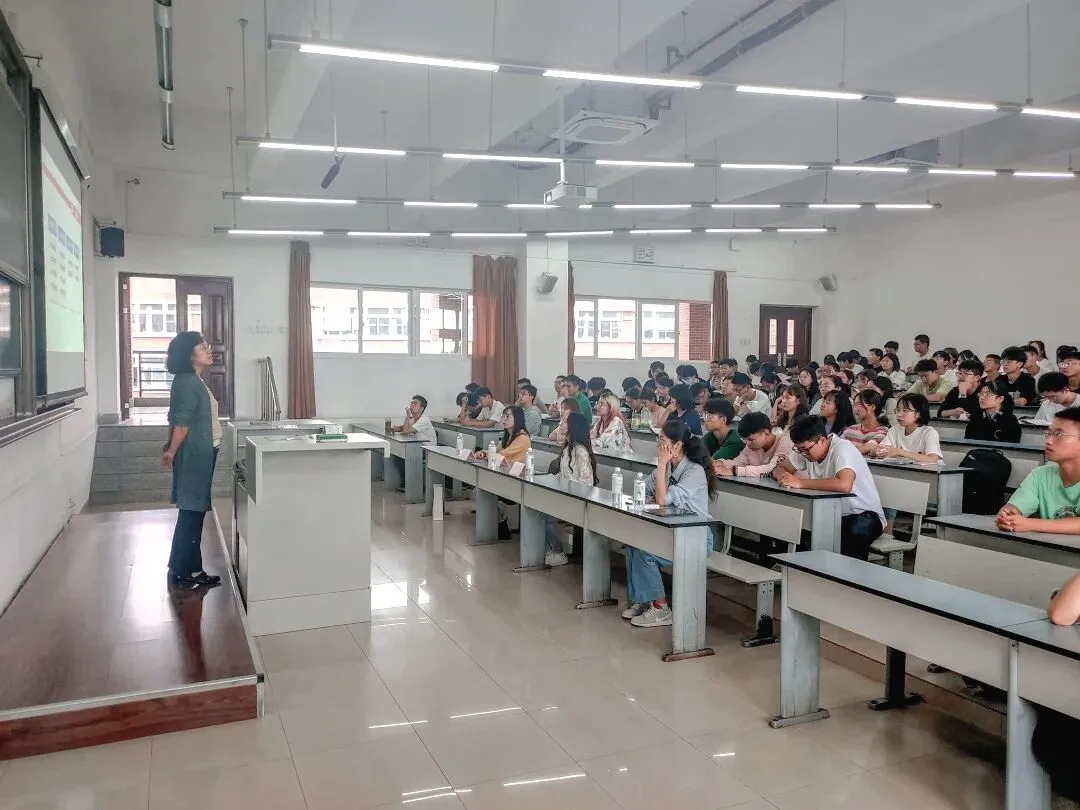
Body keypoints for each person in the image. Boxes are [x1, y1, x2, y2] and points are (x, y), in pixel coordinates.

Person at [623, 419, 717, 628]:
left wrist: (661, 464)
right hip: (670, 532)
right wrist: (660, 473)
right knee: (632, 545)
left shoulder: (693, 471)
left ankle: (661, 608)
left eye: (663, 441)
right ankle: (645, 601)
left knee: (646, 553)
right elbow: (644, 490)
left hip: (696, 537)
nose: (659, 446)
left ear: (678, 445)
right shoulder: (666, 469)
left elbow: (661, 500)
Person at [775, 416, 886, 559]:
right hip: (829, 514)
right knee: (788, 527)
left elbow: (844, 485)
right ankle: (804, 568)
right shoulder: (807, 449)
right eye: (799, 450)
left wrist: (801, 482)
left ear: (822, 440)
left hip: (863, 514)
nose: (803, 454)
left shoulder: (842, 448)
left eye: (806, 450)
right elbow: (779, 468)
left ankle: (848, 573)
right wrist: (784, 477)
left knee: (851, 532)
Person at [162, 331, 222, 590]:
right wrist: (171, 451)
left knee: (191, 512)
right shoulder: (188, 382)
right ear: (188, 355)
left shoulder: (192, 380)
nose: (208, 349)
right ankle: (190, 571)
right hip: (195, 455)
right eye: (201, 346)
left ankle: (180, 566)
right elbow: (181, 422)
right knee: (192, 512)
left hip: (201, 451)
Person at [996, 407, 1080, 536]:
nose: (1048, 441)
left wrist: (1030, 524)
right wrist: (1008, 516)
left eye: (1059, 434)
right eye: (1049, 434)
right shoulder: (1040, 475)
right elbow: (1016, 507)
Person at [544, 412, 597, 567]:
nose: (561, 424)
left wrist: (564, 484)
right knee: (537, 504)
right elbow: (564, 474)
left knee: (545, 511)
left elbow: (586, 483)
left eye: (565, 422)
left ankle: (557, 551)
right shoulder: (568, 448)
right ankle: (550, 549)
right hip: (566, 495)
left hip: (578, 500)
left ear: (573, 427)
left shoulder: (580, 451)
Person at [867, 393, 944, 464]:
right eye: (898, 410)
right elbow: (880, 449)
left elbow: (933, 459)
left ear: (918, 414)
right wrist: (876, 451)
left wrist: (900, 452)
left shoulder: (929, 432)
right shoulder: (895, 430)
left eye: (905, 410)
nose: (899, 414)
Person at [715, 411, 794, 478]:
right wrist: (721, 463)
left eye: (751, 439)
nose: (748, 443)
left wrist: (735, 471)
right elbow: (739, 462)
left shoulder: (785, 441)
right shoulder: (751, 446)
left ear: (766, 432)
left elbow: (773, 469)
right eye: (745, 440)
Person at [845, 390, 890, 455]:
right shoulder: (849, 431)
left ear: (873, 407)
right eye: (855, 405)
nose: (855, 409)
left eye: (859, 405)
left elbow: (868, 447)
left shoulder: (883, 432)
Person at [702, 397, 744, 464]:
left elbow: (712, 464)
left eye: (708, 416)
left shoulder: (735, 441)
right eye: (704, 415)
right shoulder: (710, 436)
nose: (705, 420)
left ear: (723, 420)